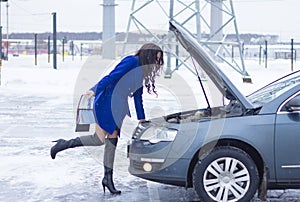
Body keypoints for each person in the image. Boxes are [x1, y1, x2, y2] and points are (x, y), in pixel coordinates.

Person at [50, 43, 164, 195]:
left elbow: (138, 96)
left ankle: (107, 178)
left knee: (110, 139)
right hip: (107, 102)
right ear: (147, 55)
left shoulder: (141, 70)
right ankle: (63, 144)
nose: (156, 63)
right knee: (99, 139)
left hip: (119, 106)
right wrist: (95, 89)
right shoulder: (131, 61)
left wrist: (141, 118)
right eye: (155, 59)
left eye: (158, 60)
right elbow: (111, 76)